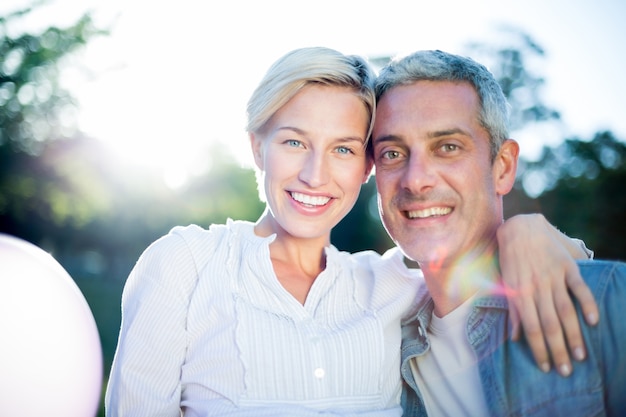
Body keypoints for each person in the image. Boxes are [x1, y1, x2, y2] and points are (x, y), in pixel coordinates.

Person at [105, 47, 596, 417]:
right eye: (295, 141)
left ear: (364, 167)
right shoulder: (185, 264)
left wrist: (527, 231)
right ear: (257, 149)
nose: (315, 175)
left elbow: (477, 270)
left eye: (343, 149)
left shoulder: (392, 287)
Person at [370, 49, 626, 416]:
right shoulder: (378, 340)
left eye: (447, 147)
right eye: (392, 153)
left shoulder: (605, 302)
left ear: (503, 168)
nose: (416, 179)